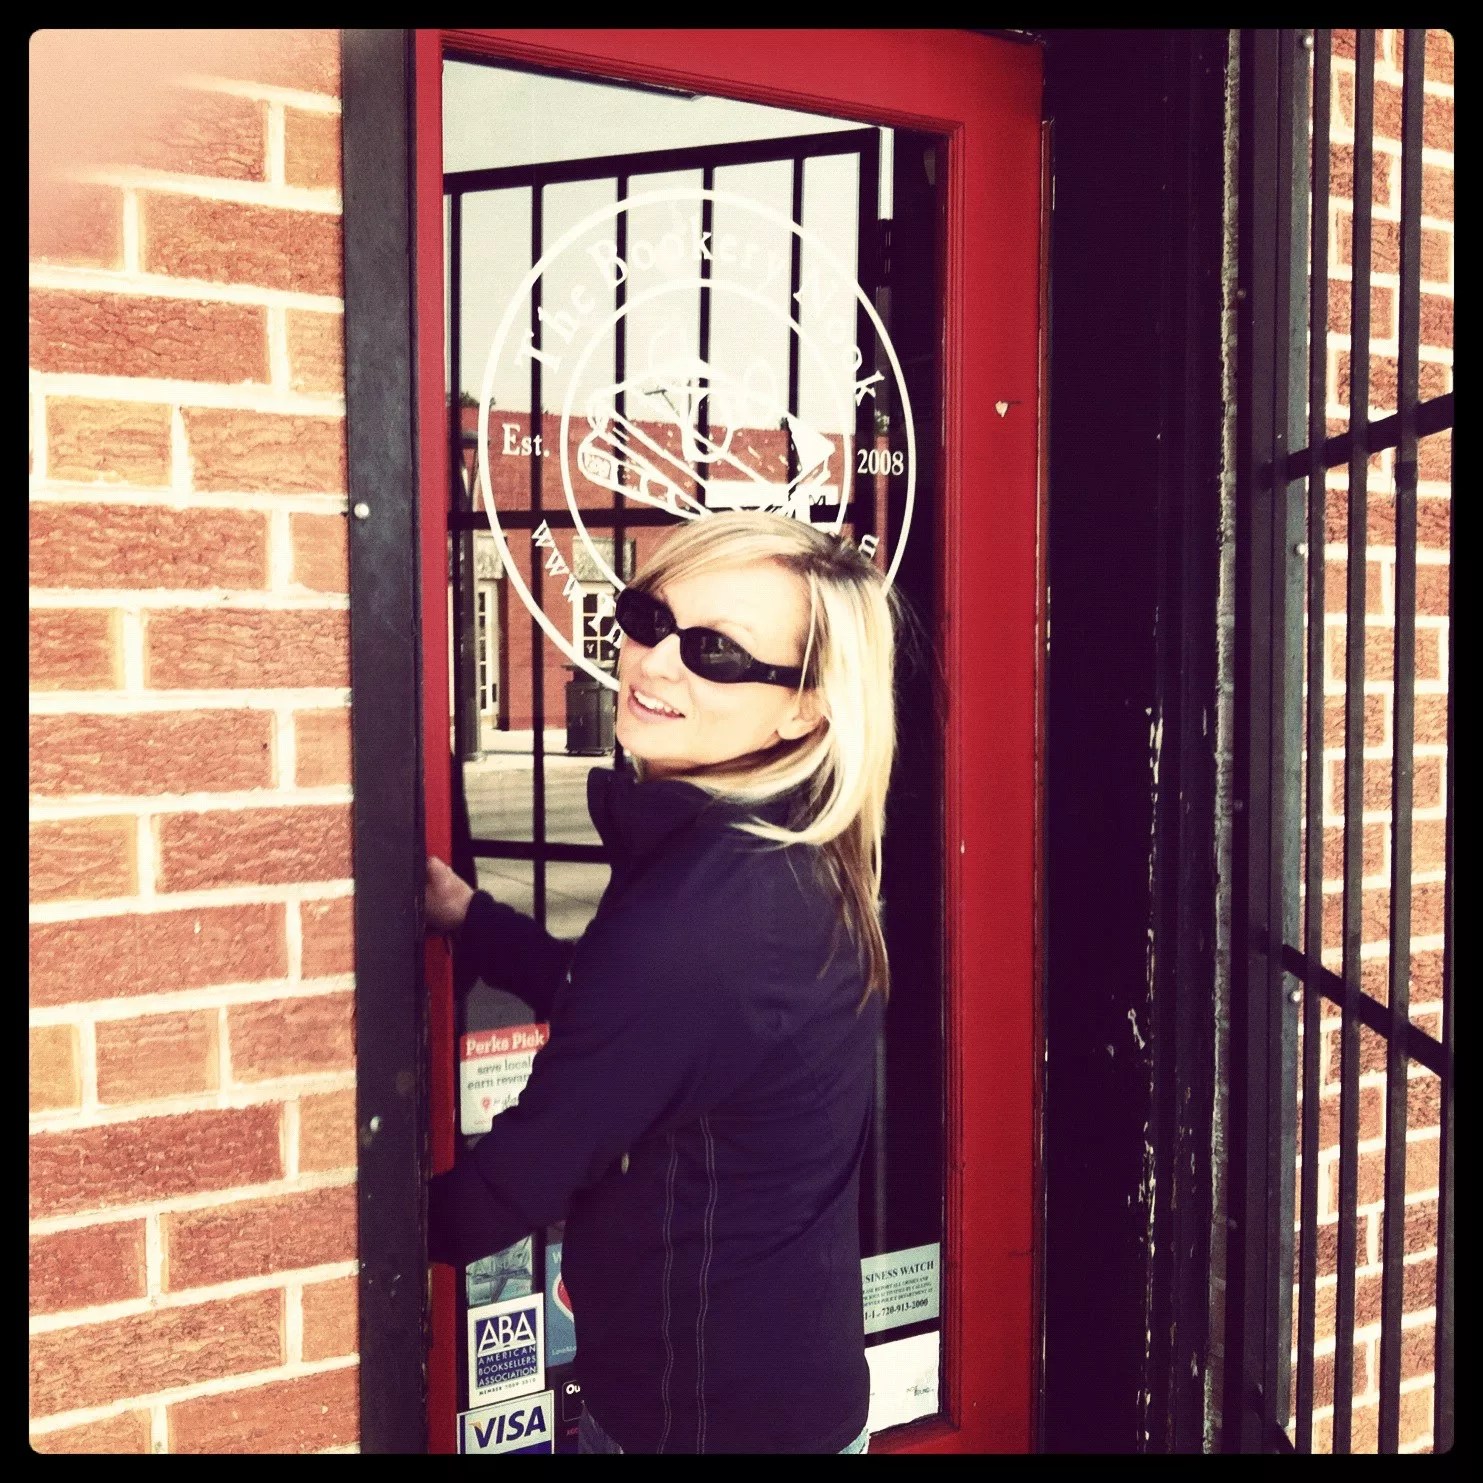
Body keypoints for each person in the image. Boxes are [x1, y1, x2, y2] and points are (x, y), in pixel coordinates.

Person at [424, 510, 897, 1454]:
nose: (654, 661)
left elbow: (515, 1181)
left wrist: (299, 1249)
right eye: (648, 617)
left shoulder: (706, 916)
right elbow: (638, 1029)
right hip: (781, 1390)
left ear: (804, 707)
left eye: (716, 651)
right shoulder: (777, 848)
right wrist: (474, 921)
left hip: (698, 1424)